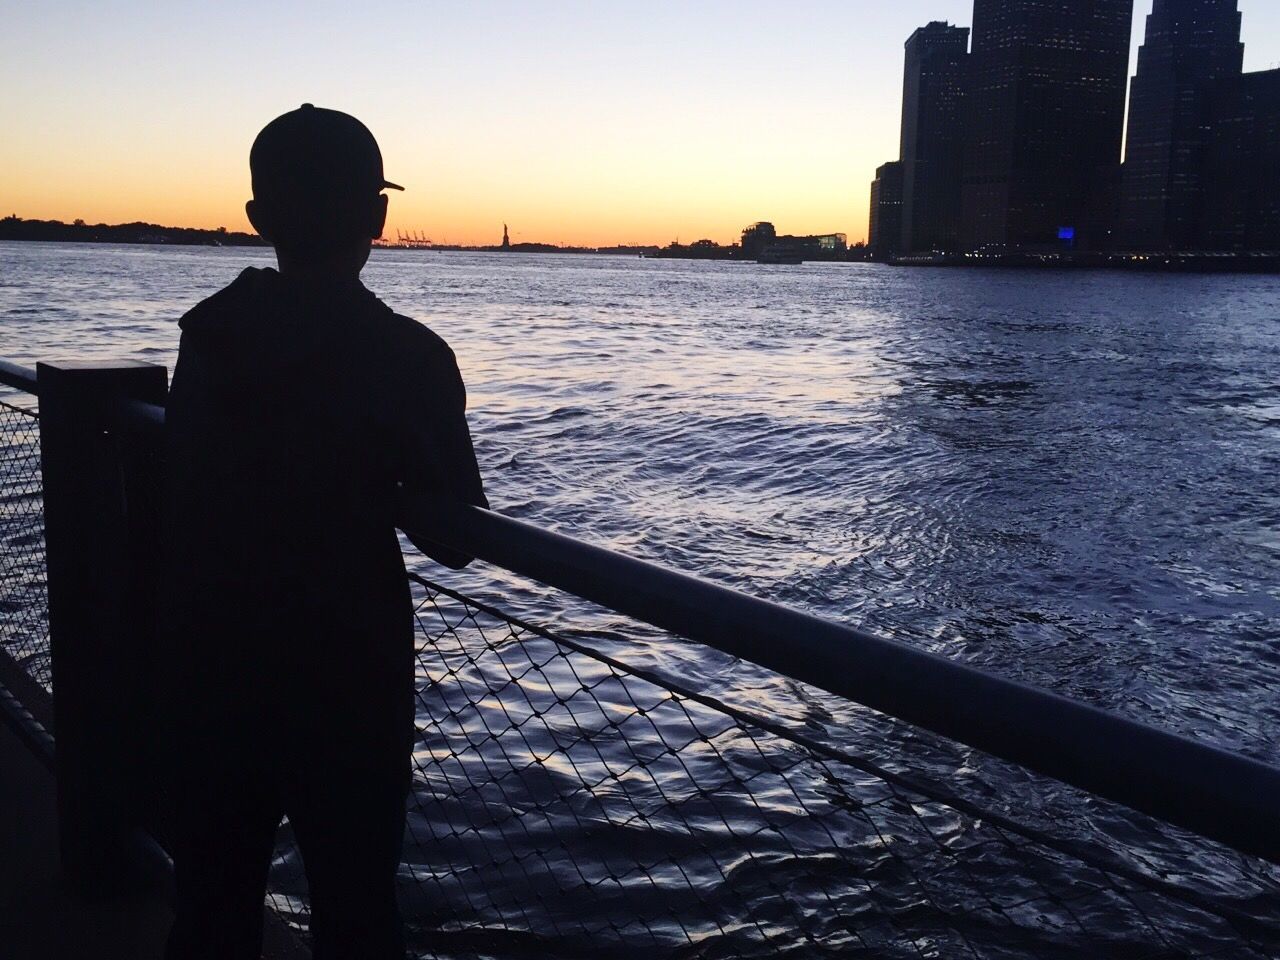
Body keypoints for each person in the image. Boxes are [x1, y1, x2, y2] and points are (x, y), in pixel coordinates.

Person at [160, 104, 487, 959]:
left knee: (210, 901)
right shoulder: (410, 357)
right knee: (357, 910)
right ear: (378, 217)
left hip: (212, 664)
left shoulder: (210, 332)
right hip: (349, 676)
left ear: (259, 219)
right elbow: (459, 535)